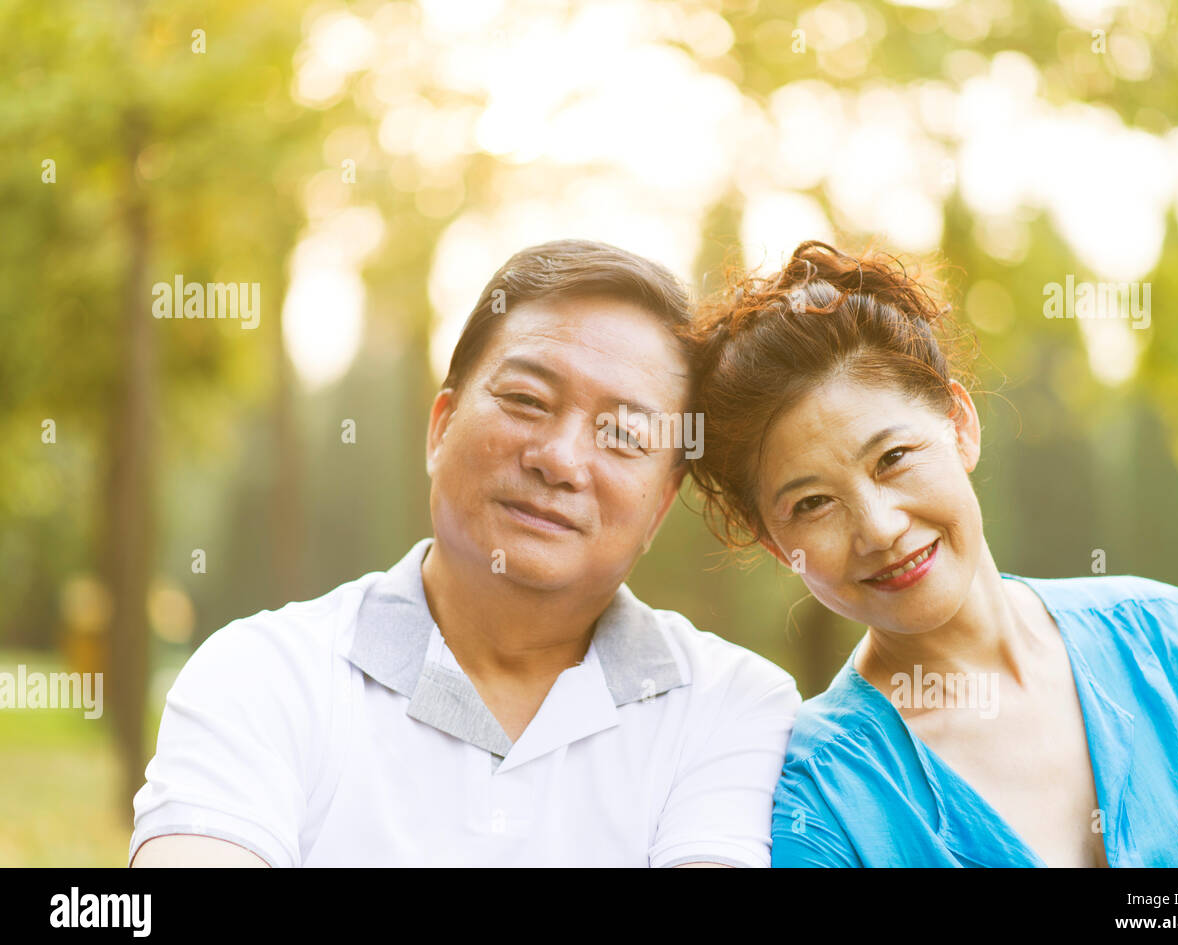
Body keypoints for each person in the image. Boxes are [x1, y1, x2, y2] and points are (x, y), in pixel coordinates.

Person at [130, 239, 801, 867]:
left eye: (624, 434)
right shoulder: (265, 673)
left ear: (660, 504)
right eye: (527, 399)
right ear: (441, 427)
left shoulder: (733, 708)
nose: (561, 459)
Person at [687, 239, 1178, 867]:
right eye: (813, 503)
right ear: (772, 541)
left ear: (960, 426)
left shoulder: (1167, 638)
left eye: (893, 458)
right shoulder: (818, 803)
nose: (878, 529)